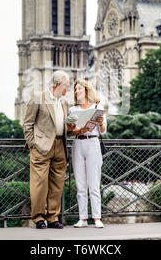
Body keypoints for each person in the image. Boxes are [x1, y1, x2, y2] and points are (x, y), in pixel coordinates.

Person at [23, 71, 74, 229]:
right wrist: (33, 144)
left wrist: (71, 128)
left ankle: (53, 217)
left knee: (57, 184)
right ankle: (38, 217)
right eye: (66, 85)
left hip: (60, 145)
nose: (68, 88)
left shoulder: (64, 102)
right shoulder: (38, 97)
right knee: (39, 184)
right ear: (58, 84)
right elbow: (27, 123)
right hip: (42, 147)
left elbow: (63, 126)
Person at [68, 79, 107, 228]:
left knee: (94, 182)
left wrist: (101, 122)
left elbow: (103, 130)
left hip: (93, 142)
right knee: (80, 184)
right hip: (78, 143)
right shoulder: (73, 110)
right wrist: (73, 128)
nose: (76, 92)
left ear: (86, 91)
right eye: (75, 89)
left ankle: (97, 218)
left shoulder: (98, 107)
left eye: (78, 89)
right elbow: (70, 132)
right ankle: (82, 218)